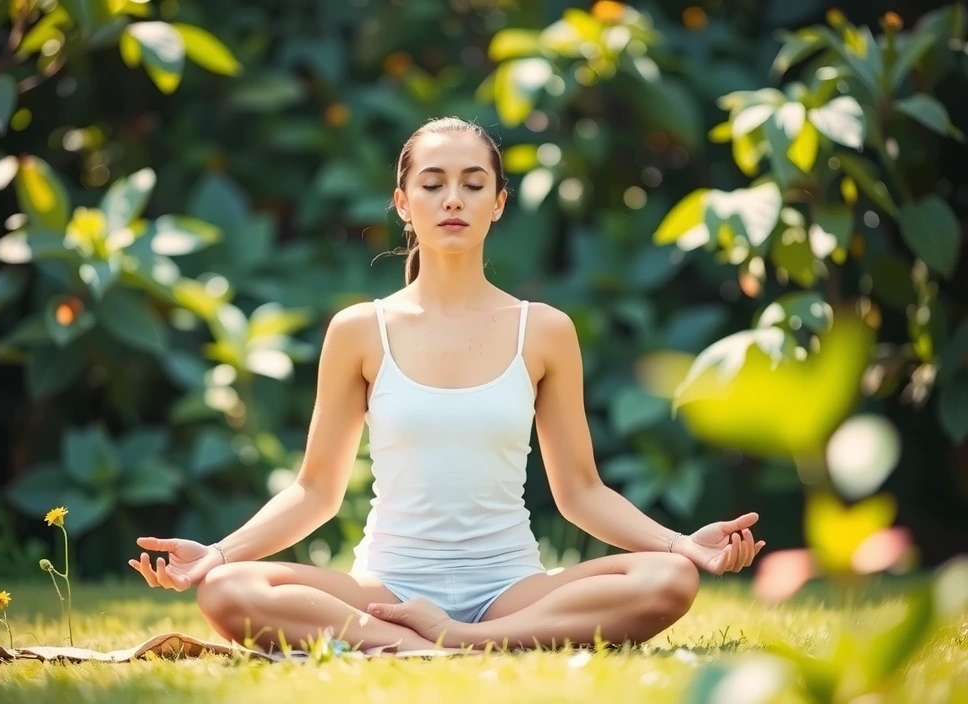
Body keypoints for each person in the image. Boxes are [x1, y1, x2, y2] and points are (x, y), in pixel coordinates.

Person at [129, 116, 765, 653]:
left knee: (670, 580)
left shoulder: (543, 331)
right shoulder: (359, 329)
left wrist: (682, 544)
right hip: (387, 589)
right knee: (227, 590)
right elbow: (315, 491)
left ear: (498, 203)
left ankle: (462, 640)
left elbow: (581, 493)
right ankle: (416, 641)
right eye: (432, 184)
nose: (453, 199)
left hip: (510, 587)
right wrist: (219, 551)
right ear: (404, 203)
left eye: (472, 183)